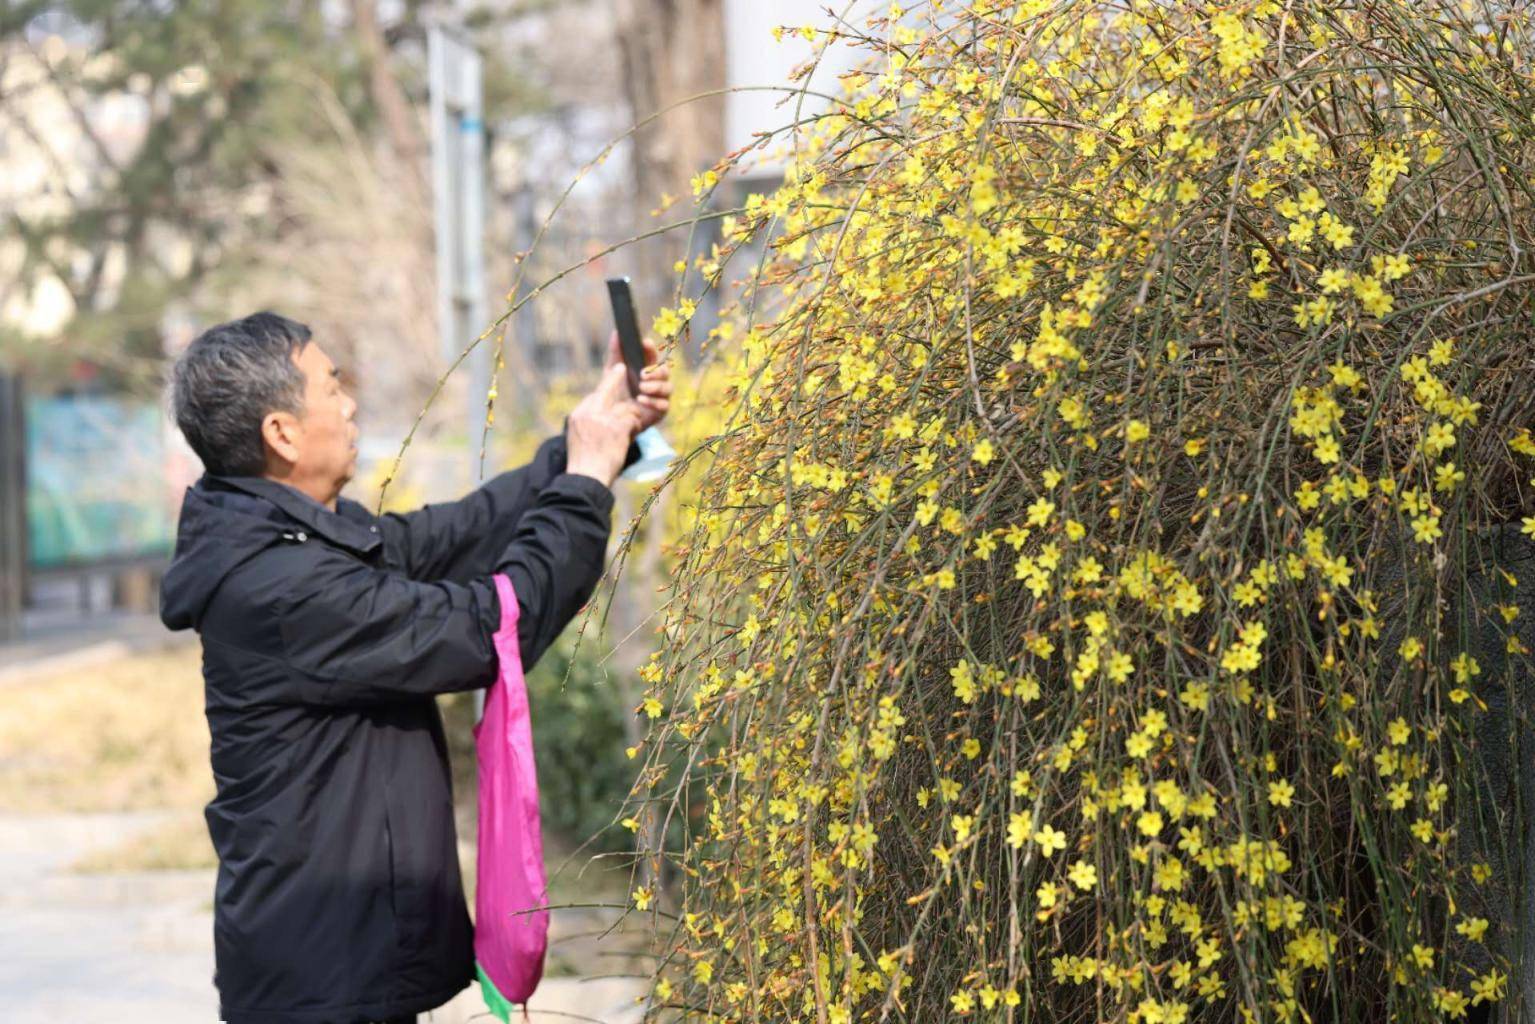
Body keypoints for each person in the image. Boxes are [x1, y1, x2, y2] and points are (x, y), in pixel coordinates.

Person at [158, 311, 671, 1024]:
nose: (349, 403)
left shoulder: (298, 544)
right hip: (322, 981)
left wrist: (589, 436)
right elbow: (490, 628)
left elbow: (460, 534)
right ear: (281, 433)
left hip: (340, 965)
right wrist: (585, 480)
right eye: (331, 387)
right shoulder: (284, 586)